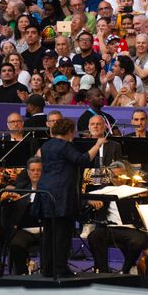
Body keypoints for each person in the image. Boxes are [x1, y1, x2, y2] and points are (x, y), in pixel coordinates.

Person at [34, 117, 106, 278]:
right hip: (62, 194)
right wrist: (98, 144)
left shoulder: (46, 145)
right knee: (62, 233)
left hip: (45, 193)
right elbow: (82, 160)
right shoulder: (65, 146)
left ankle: (47, 268)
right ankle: (60, 268)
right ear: (69, 131)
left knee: (48, 233)